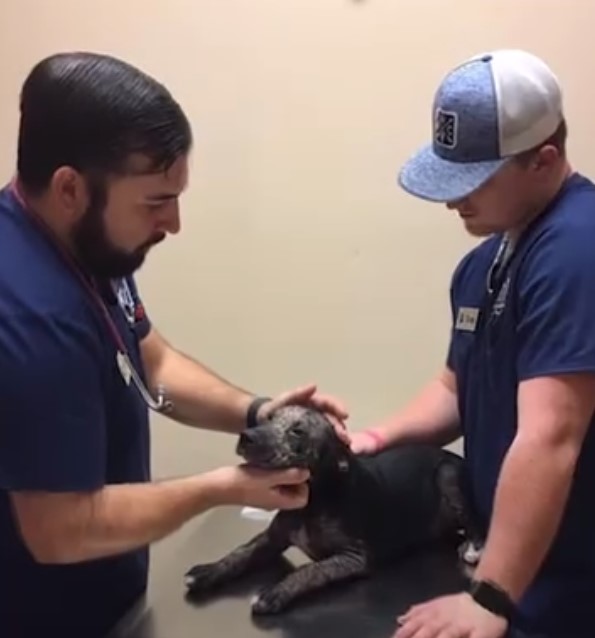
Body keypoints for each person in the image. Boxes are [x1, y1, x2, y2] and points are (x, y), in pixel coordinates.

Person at [0, 51, 350, 638]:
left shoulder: (87, 249)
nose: (175, 222)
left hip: (109, 605)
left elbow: (149, 360)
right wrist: (223, 488)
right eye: (156, 201)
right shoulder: (24, 316)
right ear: (70, 188)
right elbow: (61, 529)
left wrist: (259, 412)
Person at [351, 49, 595, 638]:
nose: (452, 199)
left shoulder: (577, 251)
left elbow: (552, 437)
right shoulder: (484, 262)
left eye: (475, 180)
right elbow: (456, 390)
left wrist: (489, 596)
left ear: (545, 159)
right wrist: (372, 439)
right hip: (521, 567)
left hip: (574, 582)